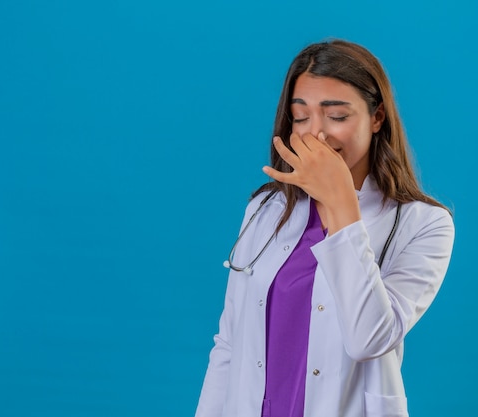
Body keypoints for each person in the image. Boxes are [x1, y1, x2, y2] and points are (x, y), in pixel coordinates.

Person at [195, 39, 455, 417]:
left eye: (336, 116)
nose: (315, 135)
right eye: (301, 117)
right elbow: (230, 344)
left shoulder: (424, 224)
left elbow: (370, 339)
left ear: (377, 117)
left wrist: (341, 206)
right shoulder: (266, 209)